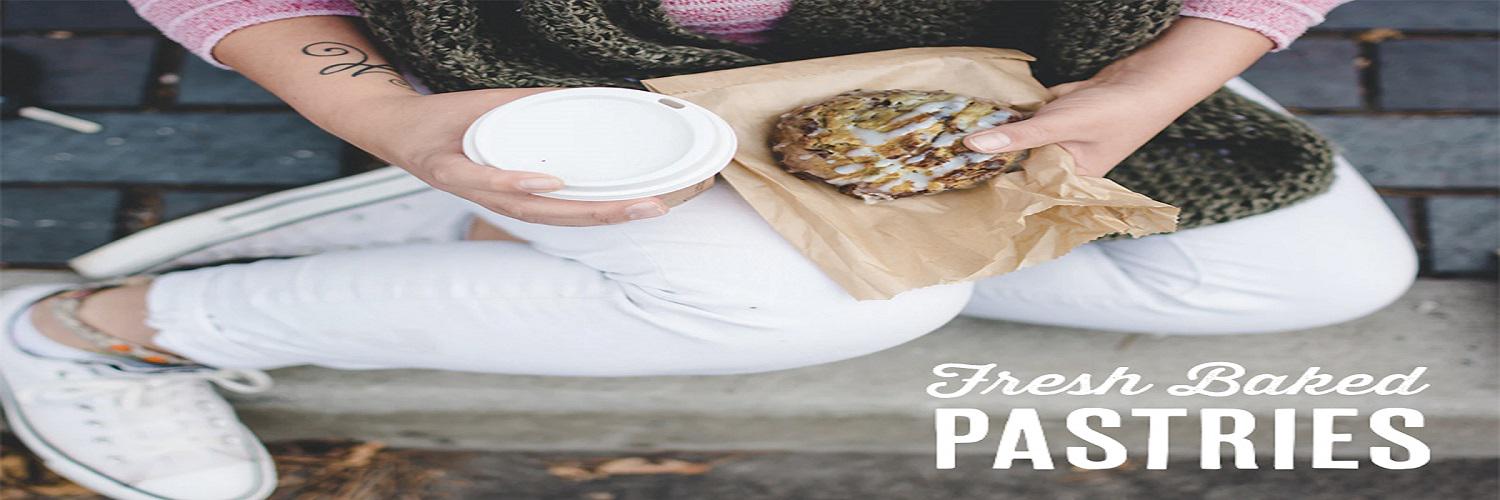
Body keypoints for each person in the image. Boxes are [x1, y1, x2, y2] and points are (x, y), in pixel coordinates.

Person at [0, 1, 1415, 498]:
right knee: (847, 315)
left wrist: (1157, 84)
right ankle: (104, 334)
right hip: (566, 76)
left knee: (1327, 276)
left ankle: (530, 241)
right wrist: (385, 117)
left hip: (989, 62)